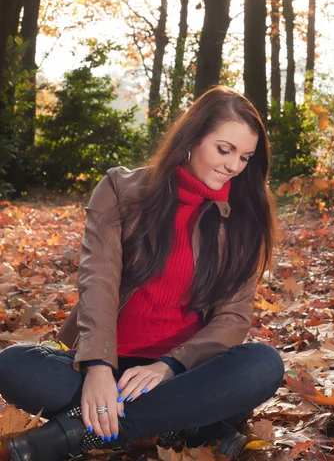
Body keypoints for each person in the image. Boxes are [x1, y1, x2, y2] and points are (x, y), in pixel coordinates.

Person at [0, 86, 284, 461]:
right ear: (193, 137)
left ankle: (76, 432)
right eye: (224, 149)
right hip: (107, 367)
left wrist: (169, 366)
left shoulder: (242, 219)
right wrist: (100, 367)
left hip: (189, 375)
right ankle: (184, 423)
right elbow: (97, 280)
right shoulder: (121, 189)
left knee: (262, 365)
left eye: (245, 157)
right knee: (14, 363)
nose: (234, 166)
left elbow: (232, 319)